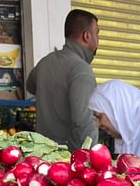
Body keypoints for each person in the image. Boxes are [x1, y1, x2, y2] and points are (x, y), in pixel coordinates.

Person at [25, 9, 100, 149]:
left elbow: (30, 85)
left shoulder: (45, 62)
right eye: (97, 33)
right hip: (68, 156)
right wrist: (92, 155)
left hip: (43, 152)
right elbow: (83, 122)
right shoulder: (81, 70)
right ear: (87, 36)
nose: (98, 41)